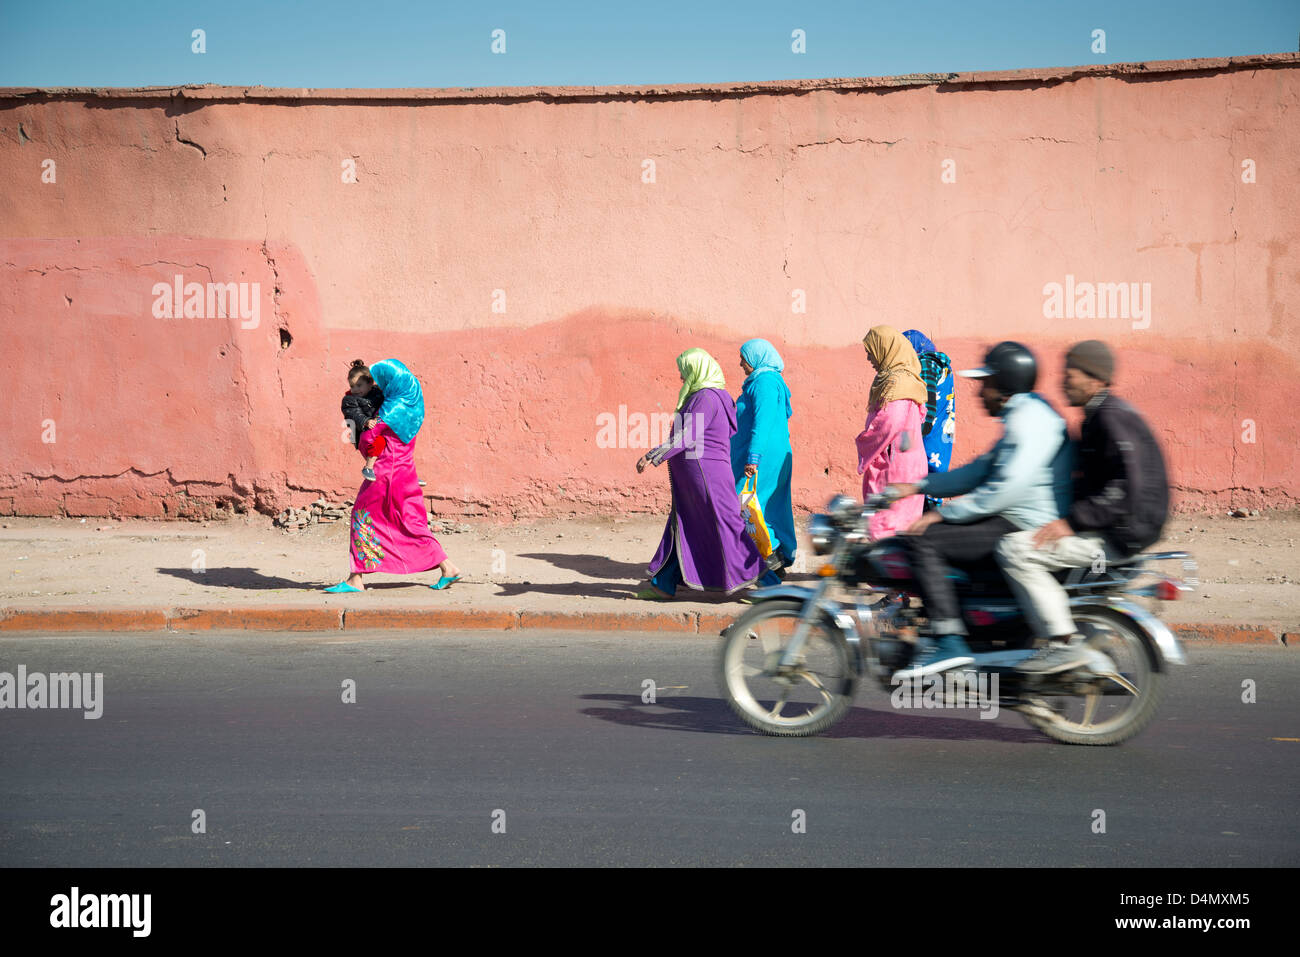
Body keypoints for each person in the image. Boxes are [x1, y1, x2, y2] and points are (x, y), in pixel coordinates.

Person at [886, 342, 1073, 678]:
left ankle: (948, 639)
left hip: (1024, 523)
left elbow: (1005, 488)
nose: (979, 393)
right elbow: (981, 469)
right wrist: (919, 486)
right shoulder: (1025, 413)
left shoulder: (1027, 420)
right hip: (1018, 516)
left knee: (924, 539)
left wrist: (943, 514)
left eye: (985, 383)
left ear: (1004, 385)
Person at [995, 340, 1170, 673]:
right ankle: (1087, 654)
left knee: (1015, 550)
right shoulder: (1098, 416)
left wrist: (1072, 522)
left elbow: (1124, 488)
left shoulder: (1109, 418)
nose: (1064, 381)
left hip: (1119, 534)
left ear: (1096, 379)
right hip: (1119, 527)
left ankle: (1063, 644)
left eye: (1071, 374)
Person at [636, 348, 776, 598]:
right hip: (698, 477)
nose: (681, 378)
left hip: (706, 477)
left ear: (697, 370)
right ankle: (664, 584)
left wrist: (653, 455)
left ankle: (770, 584)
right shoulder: (713, 396)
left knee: (727, 528)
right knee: (686, 523)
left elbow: (686, 435)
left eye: (685, 371)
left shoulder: (707, 398)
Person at [324, 359, 463, 593]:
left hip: (387, 471)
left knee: (362, 515)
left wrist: (358, 431)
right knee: (409, 519)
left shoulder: (390, 410)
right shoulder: (410, 406)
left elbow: (369, 431)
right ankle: (448, 567)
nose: (381, 384)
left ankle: (355, 579)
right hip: (405, 471)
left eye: (383, 380)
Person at [729, 338, 797, 573]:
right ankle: (777, 556)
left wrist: (753, 457)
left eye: (744, 358)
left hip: (764, 457)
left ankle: (771, 557)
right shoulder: (769, 381)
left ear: (757, 357)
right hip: (772, 453)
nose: (741, 363)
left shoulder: (764, 383)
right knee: (768, 505)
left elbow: (763, 421)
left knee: (744, 502)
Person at [856, 326, 928, 540]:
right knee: (900, 520)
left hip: (895, 463)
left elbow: (891, 422)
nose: (869, 357)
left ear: (885, 349)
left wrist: (865, 440)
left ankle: (887, 566)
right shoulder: (905, 379)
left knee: (887, 521)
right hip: (904, 458)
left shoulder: (897, 382)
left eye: (871, 350)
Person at [901, 329, 956, 509]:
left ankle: (929, 518)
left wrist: (918, 431)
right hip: (941, 430)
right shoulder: (939, 364)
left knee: (925, 473)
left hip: (929, 432)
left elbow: (929, 401)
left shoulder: (925, 363)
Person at [342, 359, 386, 481]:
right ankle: (368, 467)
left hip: (379, 428)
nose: (355, 389)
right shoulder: (349, 400)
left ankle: (408, 473)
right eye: (352, 386)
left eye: (359, 385)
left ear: (370, 383)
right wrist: (366, 421)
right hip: (363, 433)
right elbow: (353, 414)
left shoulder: (378, 392)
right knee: (379, 441)